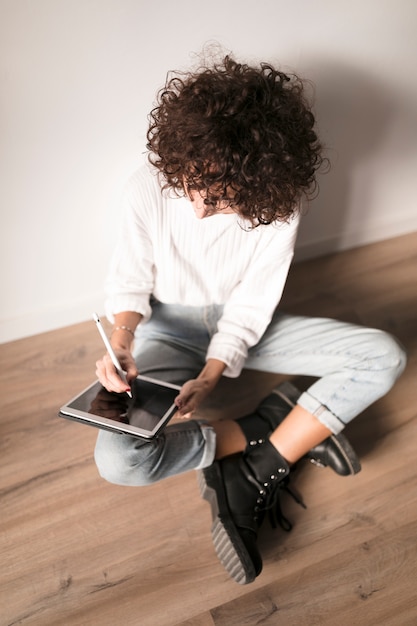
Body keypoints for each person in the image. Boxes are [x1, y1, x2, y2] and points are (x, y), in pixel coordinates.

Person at [94, 54, 406, 584]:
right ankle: (266, 424)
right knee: (119, 461)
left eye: (217, 198)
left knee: (385, 356)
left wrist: (213, 374)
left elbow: (252, 303)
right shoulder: (146, 187)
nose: (196, 207)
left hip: (247, 326)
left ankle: (263, 464)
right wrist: (123, 342)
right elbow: (129, 279)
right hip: (167, 328)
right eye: (191, 184)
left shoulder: (277, 204)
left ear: (259, 183)